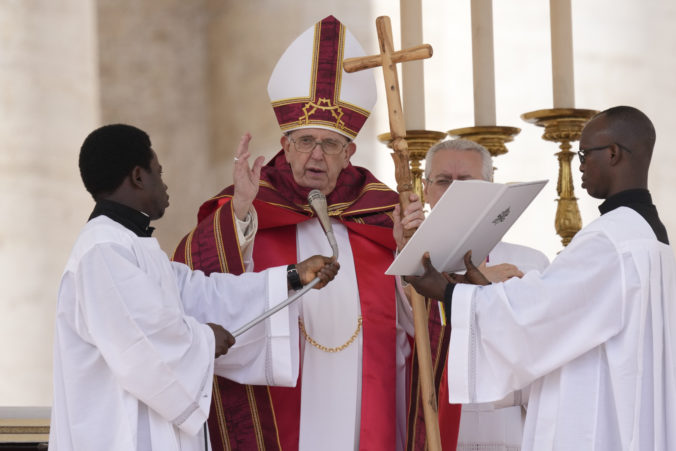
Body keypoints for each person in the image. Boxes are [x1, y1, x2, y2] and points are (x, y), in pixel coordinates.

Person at [173, 15, 422, 451]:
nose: (316, 156)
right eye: (305, 141)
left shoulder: (382, 215)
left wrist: (410, 253)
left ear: (349, 153)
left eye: (330, 145)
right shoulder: (250, 207)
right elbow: (200, 289)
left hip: (368, 394)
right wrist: (242, 215)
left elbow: (418, 321)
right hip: (281, 402)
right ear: (285, 147)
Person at [50, 124, 338, 451]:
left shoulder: (132, 246)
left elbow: (200, 296)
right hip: (120, 436)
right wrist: (205, 339)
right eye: (159, 172)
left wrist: (292, 276)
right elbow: (142, 343)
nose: (165, 183)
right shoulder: (103, 250)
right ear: (138, 177)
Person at [406, 106, 676, 450]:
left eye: (583, 154)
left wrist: (448, 293)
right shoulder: (645, 233)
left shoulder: (610, 240)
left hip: (598, 419)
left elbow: (541, 315)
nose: (578, 165)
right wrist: (485, 291)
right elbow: (565, 317)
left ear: (612, 154)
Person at [395, 139, 549, 450]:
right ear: (425, 190)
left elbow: (540, 350)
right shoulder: (404, 262)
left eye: (465, 181)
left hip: (507, 424)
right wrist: (404, 250)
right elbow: (406, 331)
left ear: (492, 189)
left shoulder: (532, 263)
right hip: (434, 417)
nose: (453, 190)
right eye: (442, 181)